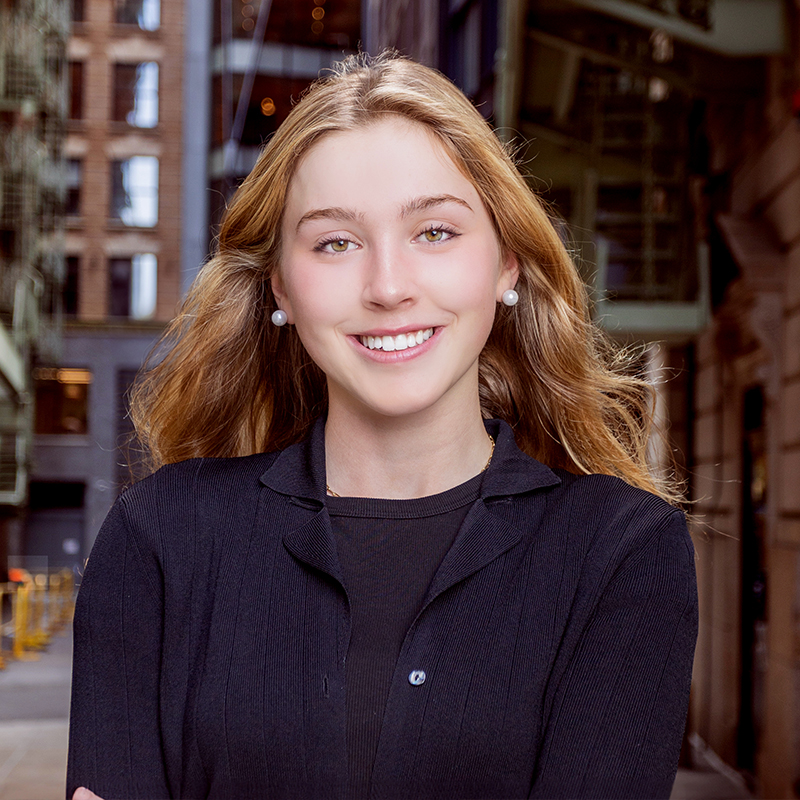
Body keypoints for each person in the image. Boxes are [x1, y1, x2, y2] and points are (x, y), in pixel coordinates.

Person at [67, 52, 697, 800]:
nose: (389, 287)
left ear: (508, 265)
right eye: (335, 242)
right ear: (282, 289)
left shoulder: (622, 553)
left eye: (435, 232)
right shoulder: (158, 540)